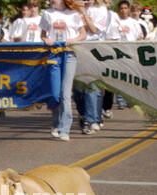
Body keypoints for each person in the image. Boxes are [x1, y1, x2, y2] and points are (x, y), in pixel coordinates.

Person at [40, 0, 86, 142]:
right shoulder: (47, 13)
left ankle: (65, 129)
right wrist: (46, 39)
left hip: (69, 54)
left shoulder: (74, 14)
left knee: (65, 94)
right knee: (55, 94)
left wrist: (74, 39)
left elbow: (83, 34)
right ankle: (55, 123)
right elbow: (43, 34)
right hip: (54, 54)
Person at [74, 0, 108, 135]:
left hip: (94, 49)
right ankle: (85, 115)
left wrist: (83, 12)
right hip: (78, 47)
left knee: (91, 86)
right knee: (78, 91)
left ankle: (91, 120)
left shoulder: (101, 10)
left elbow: (94, 29)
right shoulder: (73, 9)